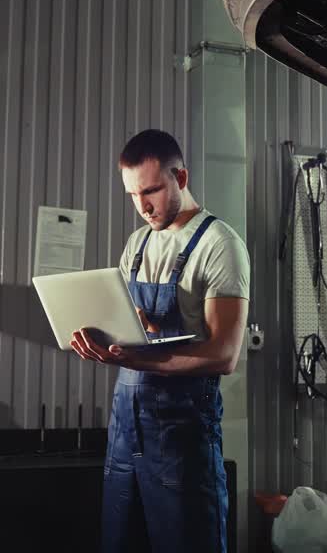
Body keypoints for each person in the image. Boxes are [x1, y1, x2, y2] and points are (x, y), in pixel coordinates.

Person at [70, 128, 250, 553]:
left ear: (181, 178)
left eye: (150, 190)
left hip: (182, 432)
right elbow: (141, 329)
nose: (142, 206)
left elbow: (223, 355)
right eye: (133, 194)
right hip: (125, 427)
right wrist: (104, 337)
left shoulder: (220, 245)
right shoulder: (137, 244)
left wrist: (133, 360)